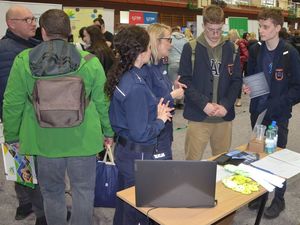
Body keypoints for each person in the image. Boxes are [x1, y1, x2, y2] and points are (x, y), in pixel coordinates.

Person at [3, 9, 114, 225]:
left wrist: (12, 135)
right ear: (69, 31)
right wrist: (108, 132)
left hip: (43, 140)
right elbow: (102, 101)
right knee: (83, 191)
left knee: (51, 192)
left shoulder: (24, 60)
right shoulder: (89, 61)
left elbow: (12, 103)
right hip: (83, 140)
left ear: (43, 32)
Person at [105, 25, 173, 225]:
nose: (151, 51)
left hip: (127, 152)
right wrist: (160, 119)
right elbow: (141, 133)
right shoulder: (134, 85)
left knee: (126, 204)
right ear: (140, 52)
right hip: (138, 156)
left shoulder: (127, 74)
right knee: (139, 210)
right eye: (148, 48)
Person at [244, 8, 300, 219]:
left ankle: (279, 199)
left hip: (278, 115)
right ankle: (260, 194)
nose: (261, 30)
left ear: (278, 28)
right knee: (258, 155)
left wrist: (278, 104)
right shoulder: (256, 49)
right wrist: (248, 87)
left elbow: (297, 87)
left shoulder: (289, 53)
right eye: (260, 26)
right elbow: (251, 75)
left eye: (265, 27)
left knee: (278, 157)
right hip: (257, 113)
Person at [0, 5, 47, 225]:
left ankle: (26, 204)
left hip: (27, 120)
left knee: (23, 167)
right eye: (27, 19)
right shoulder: (9, 50)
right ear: (11, 24)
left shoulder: (32, 45)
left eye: (33, 18)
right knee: (30, 168)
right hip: (22, 121)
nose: (33, 23)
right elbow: (9, 95)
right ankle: (41, 214)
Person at [178, 5, 242, 161]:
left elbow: (236, 80)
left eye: (219, 30)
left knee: (222, 163)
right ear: (203, 25)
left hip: (223, 118)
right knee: (192, 164)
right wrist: (204, 104)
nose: (215, 34)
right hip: (198, 116)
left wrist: (226, 105)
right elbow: (185, 80)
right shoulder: (190, 48)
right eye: (210, 29)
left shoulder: (232, 49)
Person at [145, 23, 186, 160]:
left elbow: (159, 91)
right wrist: (172, 95)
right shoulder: (146, 69)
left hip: (165, 129)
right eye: (168, 40)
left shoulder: (160, 64)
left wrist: (173, 86)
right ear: (156, 41)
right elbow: (145, 104)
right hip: (154, 130)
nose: (171, 45)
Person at [168, 26, 188, 108]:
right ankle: (181, 102)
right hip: (182, 64)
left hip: (172, 63)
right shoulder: (185, 40)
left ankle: (173, 101)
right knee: (181, 83)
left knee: (173, 82)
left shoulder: (170, 39)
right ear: (179, 31)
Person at [227, 29, 249, 107]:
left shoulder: (240, 43)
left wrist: (237, 58)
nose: (229, 37)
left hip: (238, 66)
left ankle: (238, 99)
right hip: (230, 67)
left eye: (230, 35)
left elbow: (246, 55)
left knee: (237, 82)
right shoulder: (229, 43)